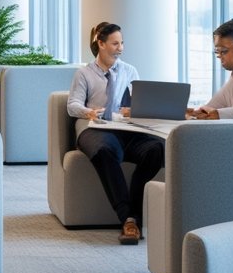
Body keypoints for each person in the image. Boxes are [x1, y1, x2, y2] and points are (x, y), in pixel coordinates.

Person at [67, 22, 165, 245]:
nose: (120, 48)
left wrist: (135, 109)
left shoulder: (130, 71)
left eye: (122, 43)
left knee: (156, 149)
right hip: (96, 128)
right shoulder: (84, 74)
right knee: (105, 150)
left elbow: (138, 102)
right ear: (100, 44)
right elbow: (72, 105)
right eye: (115, 43)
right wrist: (88, 111)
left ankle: (133, 215)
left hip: (124, 129)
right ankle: (129, 219)